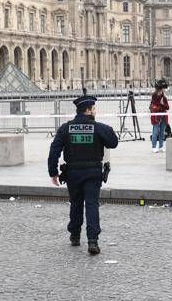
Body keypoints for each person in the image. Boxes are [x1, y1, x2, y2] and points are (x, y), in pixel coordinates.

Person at [48, 95, 119, 255]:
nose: (95, 111)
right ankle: (92, 241)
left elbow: (54, 150)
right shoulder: (99, 127)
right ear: (88, 110)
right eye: (94, 109)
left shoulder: (66, 128)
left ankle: (74, 234)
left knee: (76, 203)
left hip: (73, 173)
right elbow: (113, 143)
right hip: (93, 173)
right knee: (92, 205)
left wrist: (53, 172)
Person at [149, 80, 169, 153]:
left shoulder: (164, 97)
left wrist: (162, 104)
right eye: (164, 88)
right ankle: (154, 146)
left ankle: (161, 146)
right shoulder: (154, 96)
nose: (165, 90)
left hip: (163, 116)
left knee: (162, 132)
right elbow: (154, 106)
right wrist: (161, 105)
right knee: (155, 131)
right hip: (156, 117)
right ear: (160, 88)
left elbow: (167, 107)